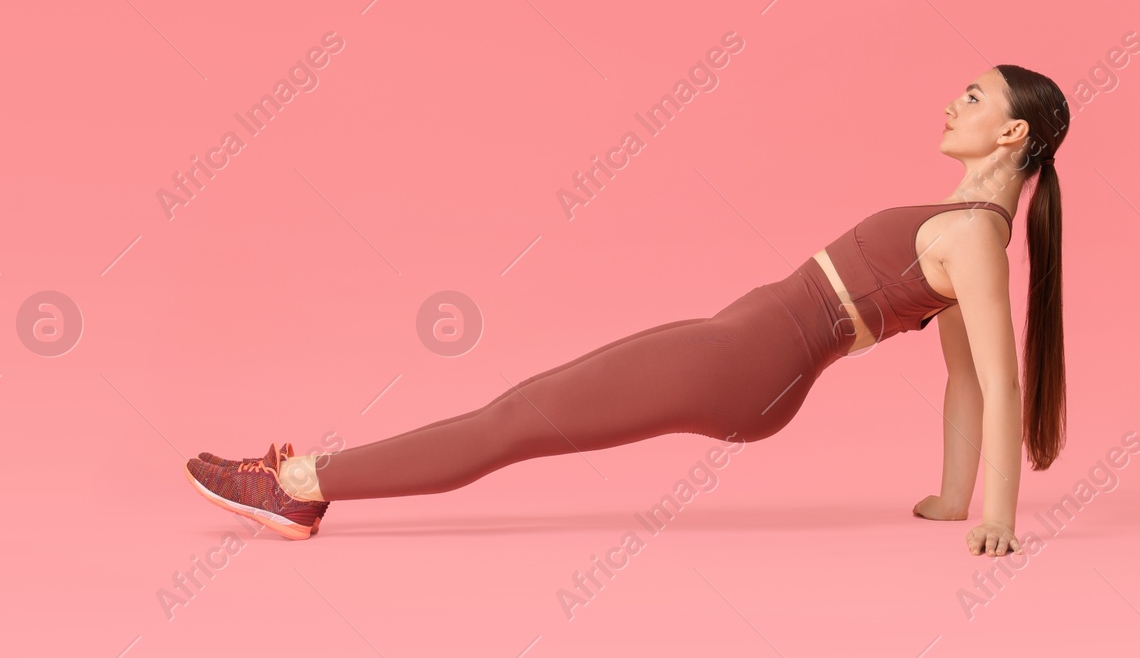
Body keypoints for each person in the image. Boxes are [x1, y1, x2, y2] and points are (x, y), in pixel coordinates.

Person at [185, 64, 1069, 557]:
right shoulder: (966, 230)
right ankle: (308, 480)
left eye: (975, 96)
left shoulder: (974, 241)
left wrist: (998, 514)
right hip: (740, 348)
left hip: (747, 365)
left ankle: (299, 487)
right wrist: (955, 497)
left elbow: (996, 377)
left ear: (1011, 134)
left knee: (511, 422)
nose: (951, 99)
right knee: (522, 407)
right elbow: (960, 377)